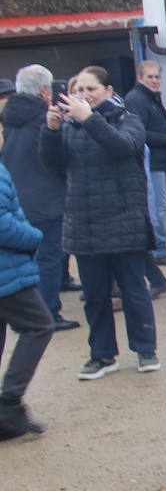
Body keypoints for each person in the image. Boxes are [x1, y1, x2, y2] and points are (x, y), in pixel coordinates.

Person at [40, 66, 161, 379]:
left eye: (90, 90)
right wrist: (51, 130)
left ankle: (145, 349)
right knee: (94, 296)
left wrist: (89, 118)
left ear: (109, 91)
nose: (83, 96)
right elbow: (53, 166)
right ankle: (102, 355)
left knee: (134, 291)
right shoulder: (70, 126)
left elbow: (124, 147)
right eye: (79, 90)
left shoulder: (128, 118)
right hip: (84, 223)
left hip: (124, 220)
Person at [2, 65, 77, 330]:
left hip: (18, 197)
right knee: (49, 257)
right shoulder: (45, 119)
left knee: (37, 256)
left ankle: (58, 287)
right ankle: (49, 314)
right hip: (47, 197)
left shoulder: (10, 117)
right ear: (46, 92)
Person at [0, 158, 55, 439]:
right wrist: (34, 236)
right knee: (39, 325)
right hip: (6, 270)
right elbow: (2, 225)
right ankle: (9, 403)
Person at [124, 60, 166, 266]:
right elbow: (138, 132)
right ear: (139, 78)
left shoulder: (150, 98)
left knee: (158, 208)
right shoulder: (137, 99)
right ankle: (158, 251)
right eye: (149, 77)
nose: (154, 80)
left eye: (157, 77)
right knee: (156, 209)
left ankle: (157, 249)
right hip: (150, 163)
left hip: (159, 161)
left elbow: (151, 129)